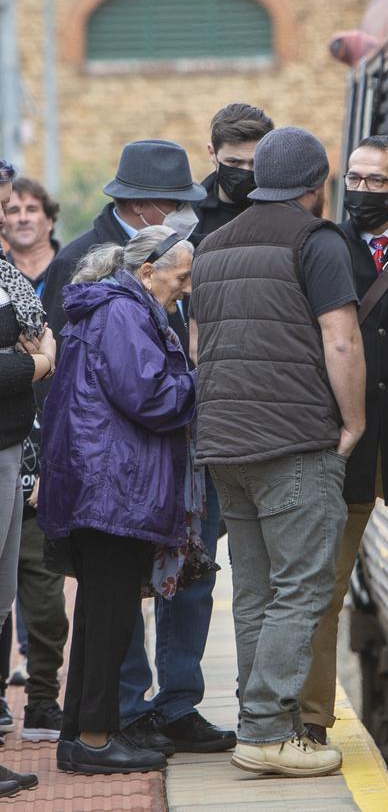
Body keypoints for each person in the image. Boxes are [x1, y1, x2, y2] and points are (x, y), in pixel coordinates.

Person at [192, 126, 365, 777]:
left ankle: (258, 720)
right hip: (294, 440)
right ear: (318, 184)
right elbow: (341, 338)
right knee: (300, 590)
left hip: (226, 443)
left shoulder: (210, 247)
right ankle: (267, 730)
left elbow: (197, 349)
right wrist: (351, 421)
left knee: (258, 591)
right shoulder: (316, 241)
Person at [120, 104, 273, 757]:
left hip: (200, 439)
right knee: (125, 579)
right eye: (164, 202)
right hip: (129, 450)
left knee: (195, 569)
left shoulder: (249, 229)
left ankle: (178, 702)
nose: (175, 212)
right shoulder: (93, 261)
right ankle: (125, 706)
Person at [38, 226, 197, 775]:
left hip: (99, 481)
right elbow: (150, 396)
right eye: (180, 277)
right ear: (148, 271)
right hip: (113, 485)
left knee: (101, 613)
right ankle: (96, 739)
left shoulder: (113, 305)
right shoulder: (124, 313)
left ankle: (81, 734)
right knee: (111, 615)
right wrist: (199, 379)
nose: (185, 289)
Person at [299, 135, 388, 744]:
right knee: (322, 593)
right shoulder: (321, 247)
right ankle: (310, 718)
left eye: (376, 182)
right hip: (345, 449)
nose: (360, 192)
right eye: (353, 179)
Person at [1, 177, 68, 742]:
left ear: (48, 218)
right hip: (11, 437)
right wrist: (36, 361)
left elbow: (49, 339)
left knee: (43, 594)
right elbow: (36, 352)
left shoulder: (48, 277)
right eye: (8, 207)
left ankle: (43, 699)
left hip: (37, 451)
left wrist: (40, 354)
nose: (17, 217)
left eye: (26, 207)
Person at [41, 139, 205, 347]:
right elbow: (59, 355)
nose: (187, 213)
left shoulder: (189, 252)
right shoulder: (74, 261)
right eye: (177, 203)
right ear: (138, 204)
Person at [192, 102, 274, 244]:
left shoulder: (281, 211)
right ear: (212, 153)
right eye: (234, 162)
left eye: (254, 163)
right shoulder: (189, 217)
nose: (246, 171)